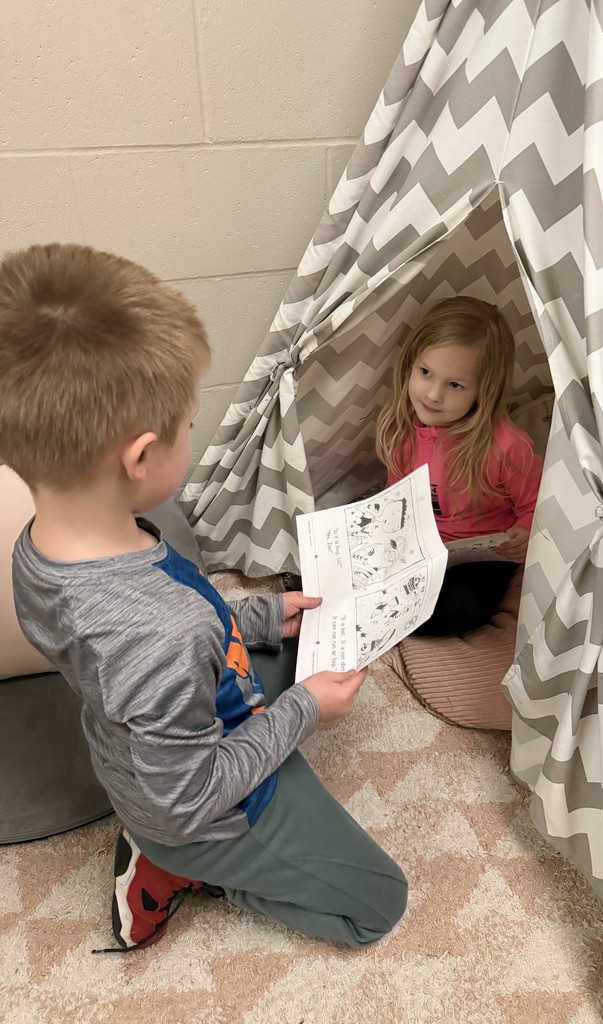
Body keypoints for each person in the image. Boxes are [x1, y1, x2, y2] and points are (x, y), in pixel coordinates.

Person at [0, 242, 407, 950]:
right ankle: (177, 869)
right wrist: (303, 710)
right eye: (189, 424)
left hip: (156, 737)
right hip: (197, 813)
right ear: (140, 456)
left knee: (297, 647)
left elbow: (156, 635)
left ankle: (185, 828)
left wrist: (251, 616)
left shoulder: (42, 545)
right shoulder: (162, 637)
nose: (195, 433)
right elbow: (187, 793)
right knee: (379, 906)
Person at [376, 296, 542, 636]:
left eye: (454, 385)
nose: (433, 395)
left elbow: (536, 503)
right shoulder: (400, 425)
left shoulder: (506, 446)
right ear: (410, 365)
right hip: (420, 544)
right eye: (425, 373)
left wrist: (524, 533)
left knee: (459, 608)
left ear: (483, 390)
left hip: (478, 559)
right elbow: (395, 497)